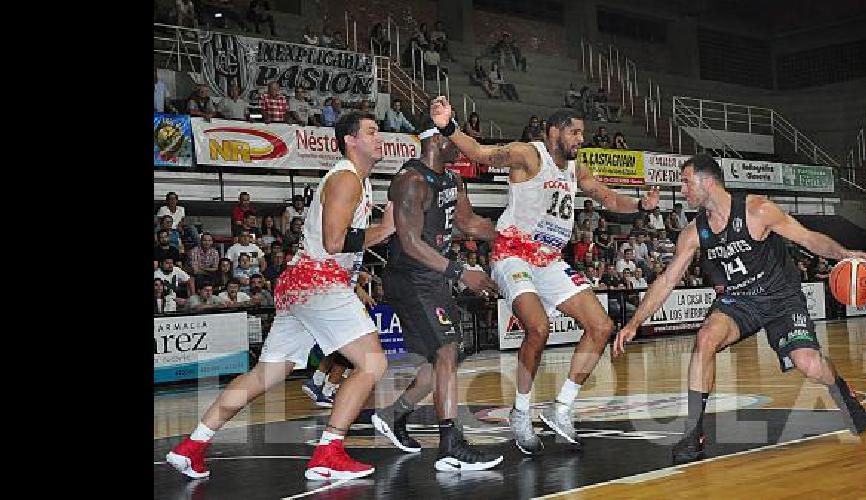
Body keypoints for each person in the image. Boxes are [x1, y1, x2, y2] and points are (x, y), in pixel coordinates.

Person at [165, 111, 397, 481]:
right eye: (371, 131)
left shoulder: (358, 181)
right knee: (373, 363)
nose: (379, 137)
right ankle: (329, 452)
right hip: (317, 283)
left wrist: (354, 276)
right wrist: (383, 230)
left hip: (305, 282)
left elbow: (327, 247)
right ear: (350, 140)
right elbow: (335, 242)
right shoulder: (346, 179)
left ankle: (192, 445)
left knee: (266, 374)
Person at [428, 98, 660, 454]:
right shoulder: (528, 155)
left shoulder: (576, 168)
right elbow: (480, 152)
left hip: (548, 259)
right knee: (538, 328)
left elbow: (608, 198)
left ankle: (561, 408)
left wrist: (640, 206)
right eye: (575, 132)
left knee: (601, 326)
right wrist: (448, 126)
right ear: (554, 132)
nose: (580, 139)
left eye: (582, 132)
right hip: (513, 253)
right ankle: (520, 412)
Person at [612, 154, 866, 464]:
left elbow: (808, 238)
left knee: (809, 364)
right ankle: (693, 433)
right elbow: (667, 280)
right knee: (705, 338)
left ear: (707, 182)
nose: (682, 190)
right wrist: (634, 323)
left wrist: (844, 253)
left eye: (685, 182)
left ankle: (843, 393)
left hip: (780, 297)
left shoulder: (757, 210)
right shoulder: (694, 232)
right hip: (739, 300)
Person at [371, 126, 503, 471]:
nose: (459, 147)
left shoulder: (452, 181)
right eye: (453, 140)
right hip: (410, 277)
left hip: (433, 277)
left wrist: (513, 237)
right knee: (446, 351)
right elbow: (411, 242)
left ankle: (393, 415)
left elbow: (470, 222)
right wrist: (461, 272)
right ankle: (450, 446)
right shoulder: (411, 181)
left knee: (442, 361)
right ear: (434, 140)